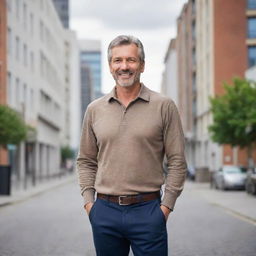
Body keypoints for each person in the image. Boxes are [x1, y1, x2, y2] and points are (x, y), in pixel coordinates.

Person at [77, 35, 187, 256]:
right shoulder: (95, 109)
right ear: (110, 66)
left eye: (131, 60)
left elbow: (177, 161)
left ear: (142, 65)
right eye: (117, 61)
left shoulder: (164, 106)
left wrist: (165, 208)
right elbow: (86, 161)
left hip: (148, 210)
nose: (124, 67)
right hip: (104, 211)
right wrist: (90, 206)